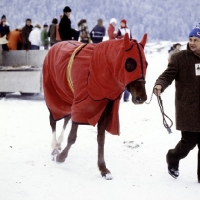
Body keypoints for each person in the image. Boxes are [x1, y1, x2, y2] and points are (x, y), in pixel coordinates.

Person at [153, 23, 200, 183]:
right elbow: (167, 75)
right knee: (188, 144)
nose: (192, 42)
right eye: (190, 39)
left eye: (196, 40)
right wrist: (160, 84)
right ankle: (172, 157)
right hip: (189, 110)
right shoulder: (180, 58)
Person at [116, 19, 132, 101]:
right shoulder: (119, 29)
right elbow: (116, 38)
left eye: (122, 23)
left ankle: (126, 97)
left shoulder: (128, 29)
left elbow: (131, 38)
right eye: (120, 23)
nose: (121, 24)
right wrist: (122, 38)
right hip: (121, 47)